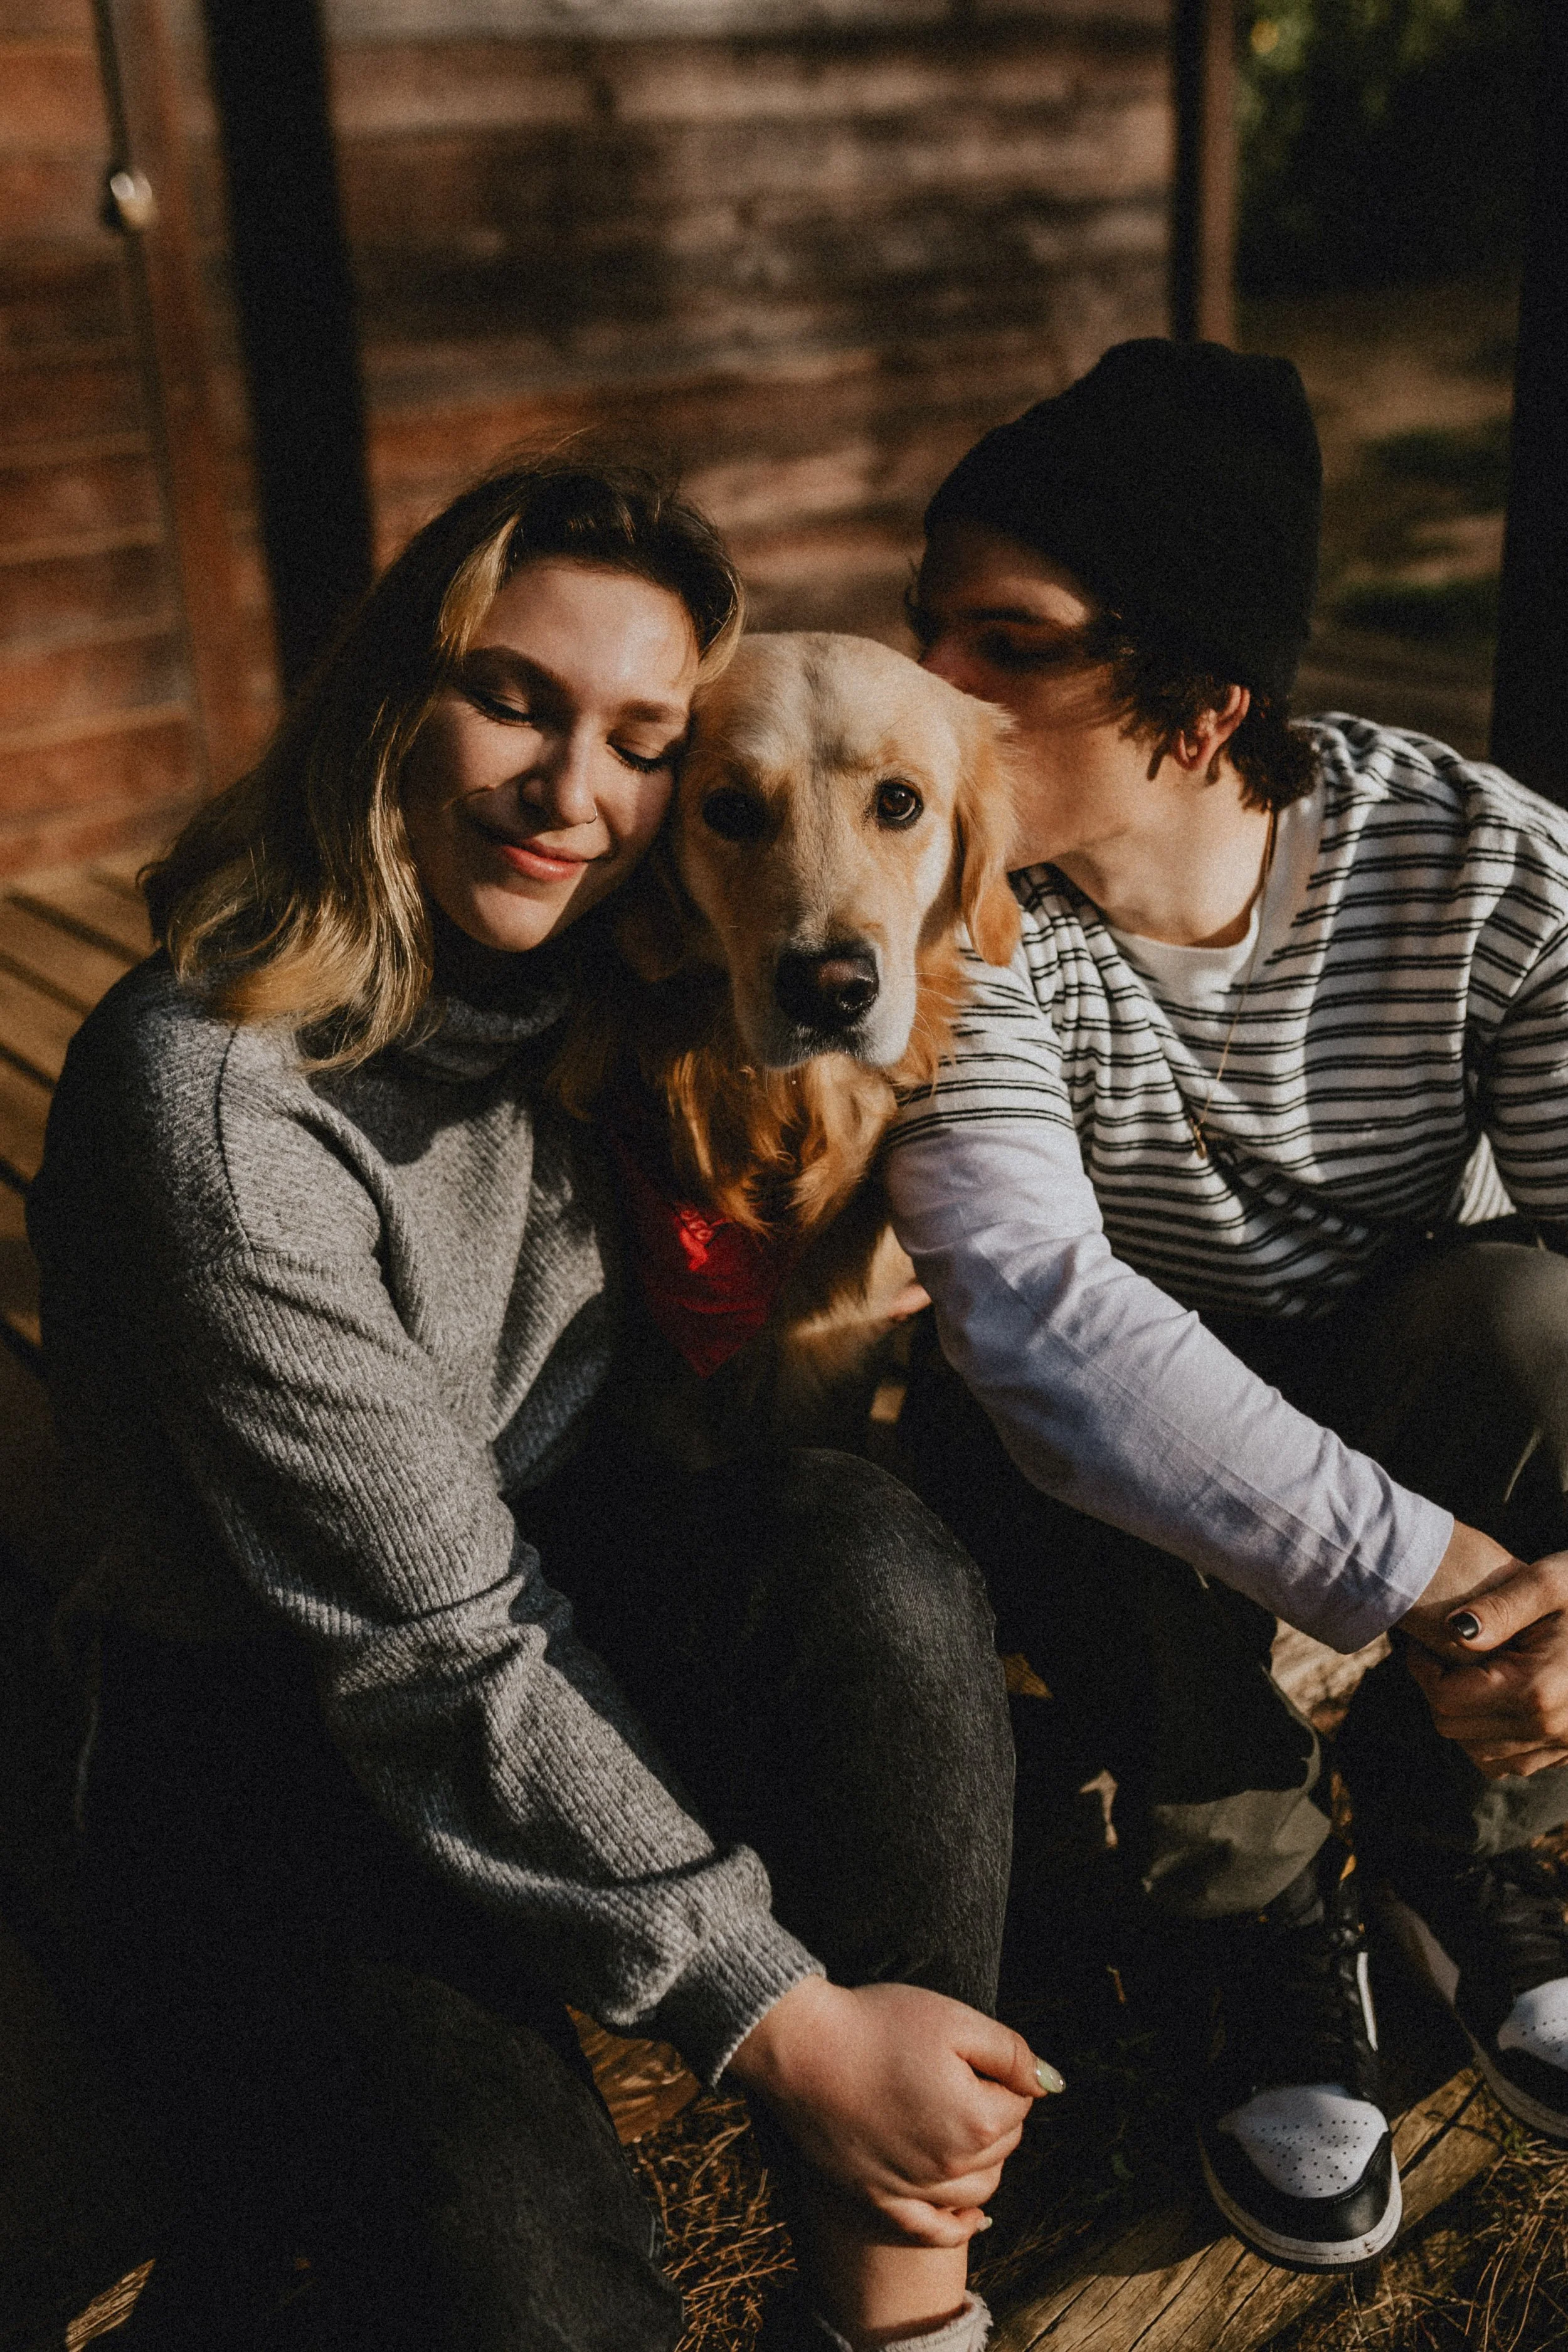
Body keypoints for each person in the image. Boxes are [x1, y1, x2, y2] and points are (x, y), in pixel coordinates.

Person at [28, 459, 1057, 2352]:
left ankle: (902, 2315)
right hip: (267, 1721)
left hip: (543, 1568)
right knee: (540, 2285)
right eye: (512, 700)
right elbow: (428, 1650)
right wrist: (786, 2021)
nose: (572, 790)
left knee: (868, 1566)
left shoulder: (609, 950)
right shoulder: (217, 1111)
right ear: (388, 699)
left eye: (642, 743)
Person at [884, 339, 1568, 2275]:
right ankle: (1253, 1910)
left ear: (1196, 711)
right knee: (1017, 1419)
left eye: (1007, 646)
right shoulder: (948, 907)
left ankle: (1456, 1849)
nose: (926, 687)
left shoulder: (1485, 872)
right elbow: (1033, 1310)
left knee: (1532, 1324)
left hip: (1398, 1359)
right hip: (1125, 1430)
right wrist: (1432, 1578)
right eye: (927, 624)